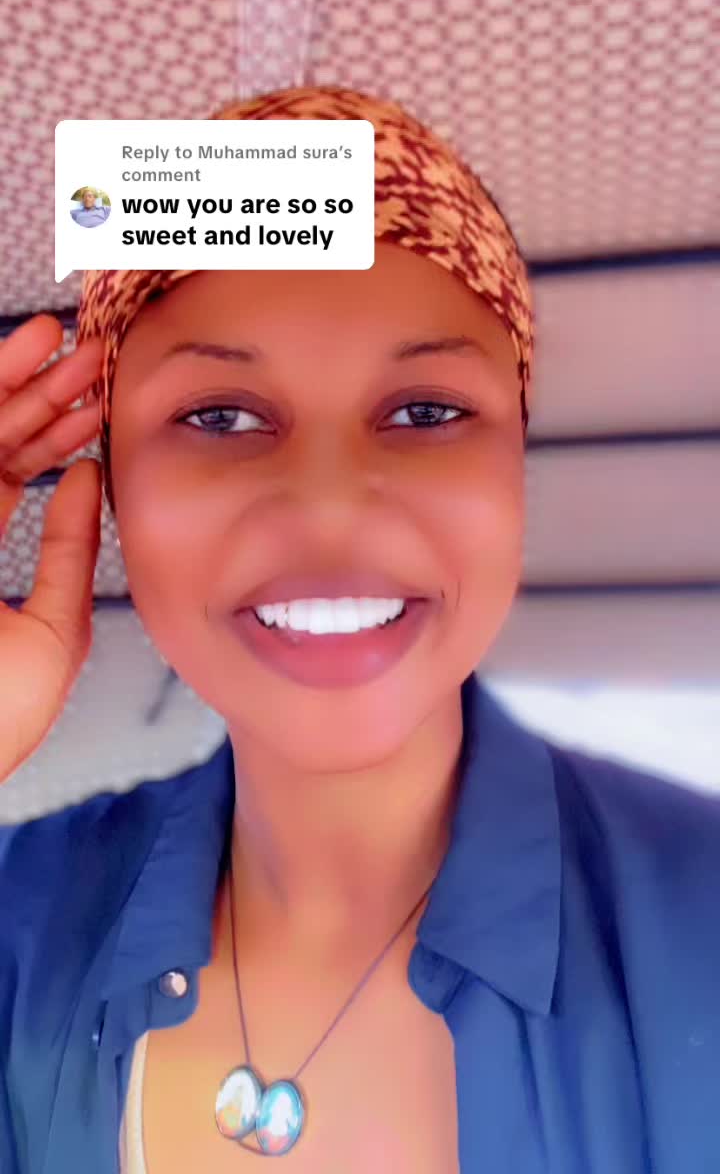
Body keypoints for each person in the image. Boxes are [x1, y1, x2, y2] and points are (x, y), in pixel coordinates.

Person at [0, 86, 718, 1174]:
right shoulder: (22, 919)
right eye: (219, 416)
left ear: (515, 460)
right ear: (110, 484)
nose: (327, 511)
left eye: (426, 411)